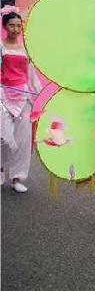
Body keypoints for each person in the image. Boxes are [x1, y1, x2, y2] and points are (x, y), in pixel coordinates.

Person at [0, 10, 41, 193]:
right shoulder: (0, 47)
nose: (16, 29)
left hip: (23, 97)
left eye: (18, 25)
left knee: (23, 139)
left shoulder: (27, 49)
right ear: (4, 26)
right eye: (12, 25)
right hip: (3, 96)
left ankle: (17, 178)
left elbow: (31, 75)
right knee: (2, 137)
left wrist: (37, 92)